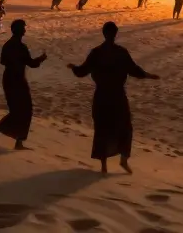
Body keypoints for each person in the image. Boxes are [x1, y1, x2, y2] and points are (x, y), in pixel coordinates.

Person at [68, 21, 159, 174]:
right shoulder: (121, 52)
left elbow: (82, 72)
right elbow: (134, 70)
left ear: (104, 34)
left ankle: (104, 166)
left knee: (103, 128)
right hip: (117, 95)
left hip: (102, 95)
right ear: (115, 34)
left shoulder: (96, 52)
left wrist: (73, 68)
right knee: (124, 127)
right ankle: (123, 161)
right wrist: (148, 75)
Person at [0, 19, 47, 150]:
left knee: (17, 110)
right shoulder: (21, 47)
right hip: (18, 80)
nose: (25, 30)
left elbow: (2, 61)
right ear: (20, 31)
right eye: (23, 28)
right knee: (25, 110)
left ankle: (9, 135)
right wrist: (42, 58)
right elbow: (32, 64)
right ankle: (14, 139)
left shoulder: (7, 45)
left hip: (8, 79)